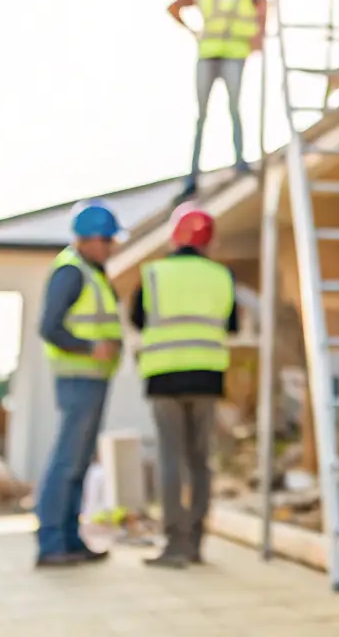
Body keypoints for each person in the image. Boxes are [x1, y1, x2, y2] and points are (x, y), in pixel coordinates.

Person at [130, 202, 239, 567]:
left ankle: (174, 543)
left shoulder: (154, 275)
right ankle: (196, 543)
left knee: (170, 460)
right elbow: (232, 325)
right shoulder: (221, 277)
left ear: (174, 238)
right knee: (199, 461)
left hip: (163, 377)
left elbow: (137, 319)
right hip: (206, 377)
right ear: (209, 242)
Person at [34, 200, 125, 567]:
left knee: (79, 463)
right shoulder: (71, 271)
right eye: (108, 240)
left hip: (94, 379)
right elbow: (49, 327)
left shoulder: (92, 271)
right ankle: (52, 542)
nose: (112, 247)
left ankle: (70, 539)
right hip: (78, 378)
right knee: (67, 461)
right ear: (89, 239)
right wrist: (90, 347)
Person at [168, 0, 267, 199]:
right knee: (201, 115)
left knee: (234, 108)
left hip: (234, 52)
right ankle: (193, 175)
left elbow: (262, 6)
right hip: (209, 53)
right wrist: (193, 31)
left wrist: (258, 37)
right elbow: (174, 7)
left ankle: (240, 162)